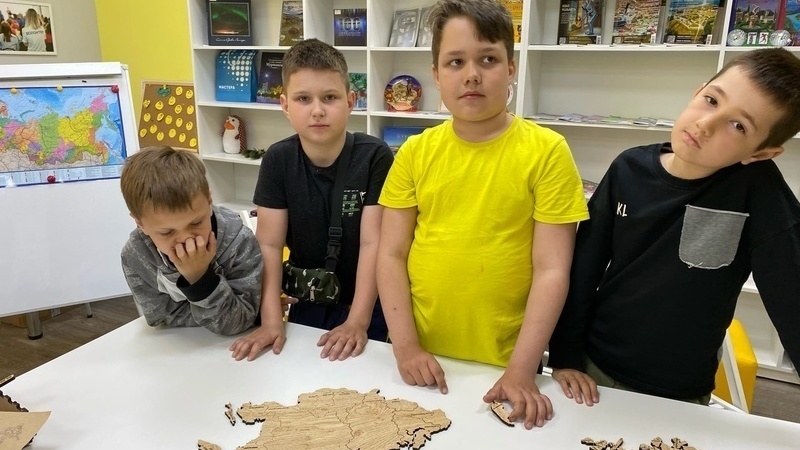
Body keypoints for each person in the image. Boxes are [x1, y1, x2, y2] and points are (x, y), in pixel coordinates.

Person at [376, 0, 589, 430]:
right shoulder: (414, 152)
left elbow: (552, 270)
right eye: (455, 62)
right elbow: (391, 254)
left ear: (511, 68)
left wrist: (521, 369)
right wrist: (405, 347)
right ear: (436, 75)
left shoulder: (547, 151)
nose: (471, 74)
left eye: (488, 59)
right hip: (420, 356)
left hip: (507, 362)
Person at [549, 48, 800, 407]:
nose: (706, 124)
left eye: (738, 126)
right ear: (698, 91)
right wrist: (565, 357)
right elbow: (584, 267)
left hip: (681, 390)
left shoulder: (758, 192)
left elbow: (792, 296)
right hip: (594, 369)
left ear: (760, 153)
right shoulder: (627, 169)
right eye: (711, 100)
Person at [229, 39, 394, 362]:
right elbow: (269, 245)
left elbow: (372, 243)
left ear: (350, 101)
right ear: (285, 105)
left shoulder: (375, 156)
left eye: (329, 97)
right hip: (308, 299)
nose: (317, 110)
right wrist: (271, 320)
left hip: (367, 304)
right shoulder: (278, 159)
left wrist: (357, 322)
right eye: (303, 98)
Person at [120, 146, 262, 335]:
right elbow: (160, 318)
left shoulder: (239, 242)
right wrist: (203, 286)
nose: (186, 239)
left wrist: (200, 278)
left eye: (196, 223)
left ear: (209, 202)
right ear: (140, 224)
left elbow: (240, 320)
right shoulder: (136, 256)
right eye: (166, 232)